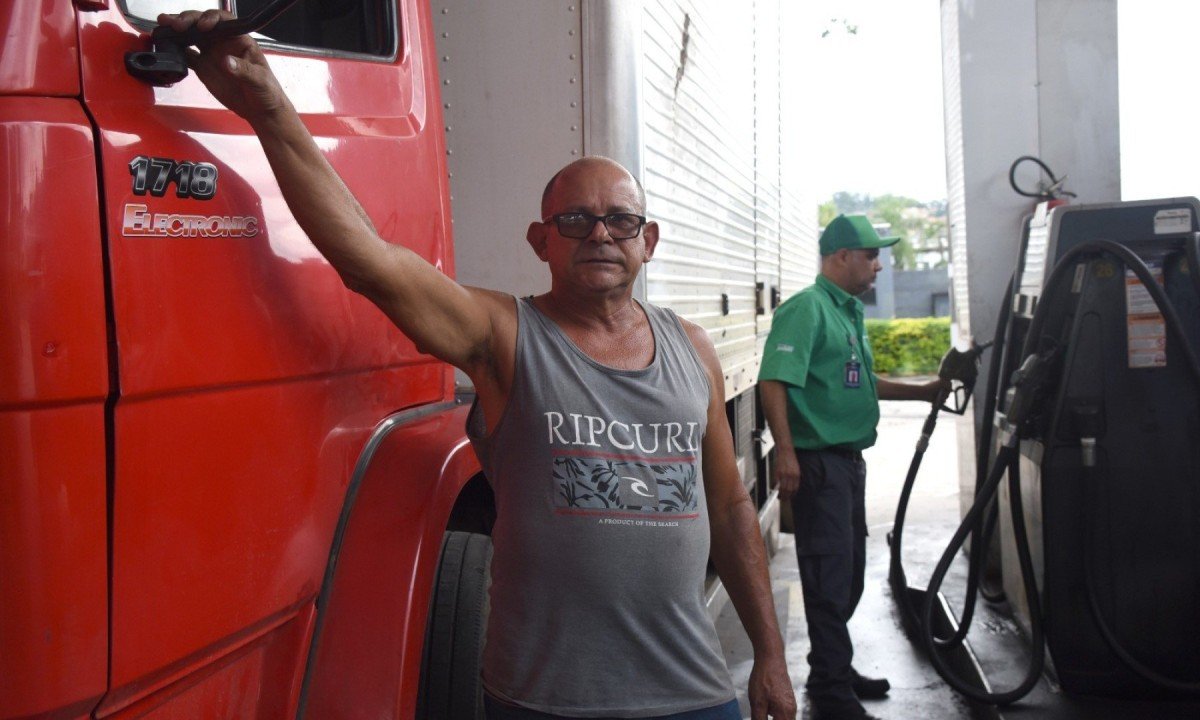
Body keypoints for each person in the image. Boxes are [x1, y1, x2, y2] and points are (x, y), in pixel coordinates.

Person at [158, 10, 796, 720]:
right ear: (540, 242)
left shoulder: (693, 350)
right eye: (575, 220)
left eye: (620, 220)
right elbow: (371, 263)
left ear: (648, 240)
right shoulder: (502, 335)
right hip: (545, 703)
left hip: (695, 697)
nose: (600, 234)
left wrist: (769, 655)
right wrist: (269, 106)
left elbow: (732, 508)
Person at [757, 215, 948, 720]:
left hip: (846, 465)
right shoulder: (807, 309)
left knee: (850, 576)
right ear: (841, 256)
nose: (879, 264)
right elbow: (774, 380)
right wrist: (787, 452)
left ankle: (832, 670)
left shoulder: (847, 312)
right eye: (870, 254)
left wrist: (925, 390)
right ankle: (832, 693)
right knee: (827, 576)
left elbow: (862, 381)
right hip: (818, 464)